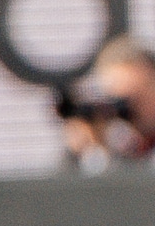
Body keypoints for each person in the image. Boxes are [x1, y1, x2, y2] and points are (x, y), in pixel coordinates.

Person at [59, 36, 155, 170]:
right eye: (119, 99)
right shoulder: (109, 145)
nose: (131, 108)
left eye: (139, 95)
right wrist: (87, 151)